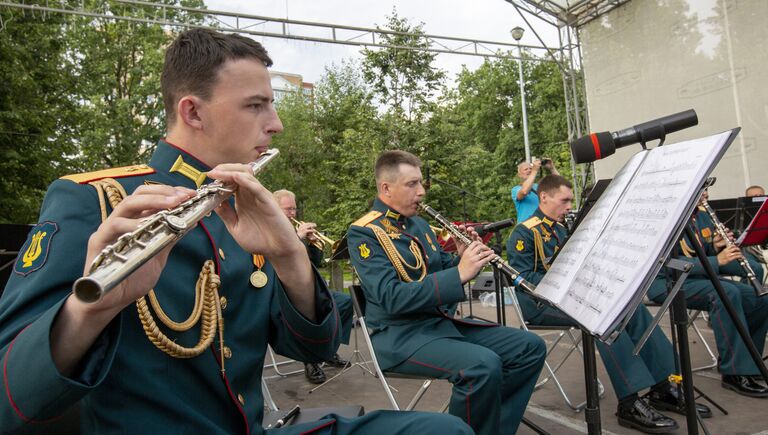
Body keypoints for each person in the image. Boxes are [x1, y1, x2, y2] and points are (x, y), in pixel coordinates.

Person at [0, 29, 472, 435]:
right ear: (193, 113)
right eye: (256, 105)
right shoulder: (96, 202)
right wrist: (87, 312)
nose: (277, 123)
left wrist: (292, 260)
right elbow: (9, 401)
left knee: (442, 428)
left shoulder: (246, 207)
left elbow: (314, 348)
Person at [348, 150, 547, 435]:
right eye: (412, 184)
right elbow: (391, 297)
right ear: (386, 188)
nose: (421, 191)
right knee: (481, 366)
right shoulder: (364, 232)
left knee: (529, 347)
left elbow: (439, 268)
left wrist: (463, 258)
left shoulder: (418, 223)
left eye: (421, 183)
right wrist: (459, 273)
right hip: (399, 336)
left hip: (438, 325)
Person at [507, 174, 711, 433]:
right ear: (544, 197)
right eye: (565, 200)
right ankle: (629, 401)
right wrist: (566, 281)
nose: (570, 206)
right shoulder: (524, 232)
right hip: (540, 305)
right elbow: (525, 281)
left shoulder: (562, 229)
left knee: (630, 307)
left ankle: (664, 385)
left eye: (571, 200)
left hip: (573, 297)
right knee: (602, 315)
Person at [648, 191, 768, 399]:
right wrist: (717, 261)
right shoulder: (665, 219)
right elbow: (667, 264)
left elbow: (702, 252)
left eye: (706, 188)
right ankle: (734, 372)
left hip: (696, 278)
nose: (706, 193)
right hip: (667, 283)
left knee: (762, 299)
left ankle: (750, 362)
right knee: (726, 292)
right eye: (701, 188)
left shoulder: (701, 215)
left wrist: (716, 247)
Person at [273, 189, 352, 384]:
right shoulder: (272, 230)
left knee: (345, 302)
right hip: (285, 291)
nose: (293, 213)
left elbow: (315, 263)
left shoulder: (295, 229)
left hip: (310, 287)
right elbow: (281, 258)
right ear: (275, 208)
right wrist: (298, 237)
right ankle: (311, 360)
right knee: (311, 313)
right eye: (288, 209)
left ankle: (329, 349)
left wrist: (315, 244)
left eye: (294, 209)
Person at [511, 157, 559, 222]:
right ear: (520, 175)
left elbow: (560, 184)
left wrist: (552, 168)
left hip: (542, 226)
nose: (529, 170)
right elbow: (524, 192)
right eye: (526, 169)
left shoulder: (539, 186)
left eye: (531, 168)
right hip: (526, 228)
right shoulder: (516, 189)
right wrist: (534, 170)